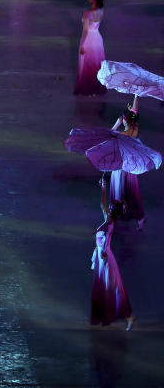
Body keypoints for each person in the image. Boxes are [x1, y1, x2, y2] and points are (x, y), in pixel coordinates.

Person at [91, 177, 135, 330]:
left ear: (113, 209)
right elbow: (103, 205)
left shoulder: (109, 220)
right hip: (102, 255)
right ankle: (112, 313)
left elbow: (107, 238)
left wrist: (102, 252)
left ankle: (129, 315)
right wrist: (103, 187)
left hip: (105, 256)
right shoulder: (109, 218)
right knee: (107, 286)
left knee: (114, 286)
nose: (109, 205)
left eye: (112, 204)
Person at [110, 99, 145, 229]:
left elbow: (109, 133)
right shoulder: (135, 128)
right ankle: (140, 218)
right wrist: (136, 96)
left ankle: (116, 215)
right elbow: (135, 112)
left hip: (121, 165)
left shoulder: (121, 134)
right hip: (131, 166)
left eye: (123, 118)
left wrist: (117, 123)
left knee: (119, 190)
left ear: (125, 120)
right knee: (132, 190)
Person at [74, 0, 107, 96]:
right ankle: (95, 88)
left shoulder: (88, 14)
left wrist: (82, 45)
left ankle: (87, 88)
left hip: (89, 40)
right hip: (97, 39)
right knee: (96, 64)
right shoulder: (101, 10)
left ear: (94, 0)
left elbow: (85, 31)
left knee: (87, 64)